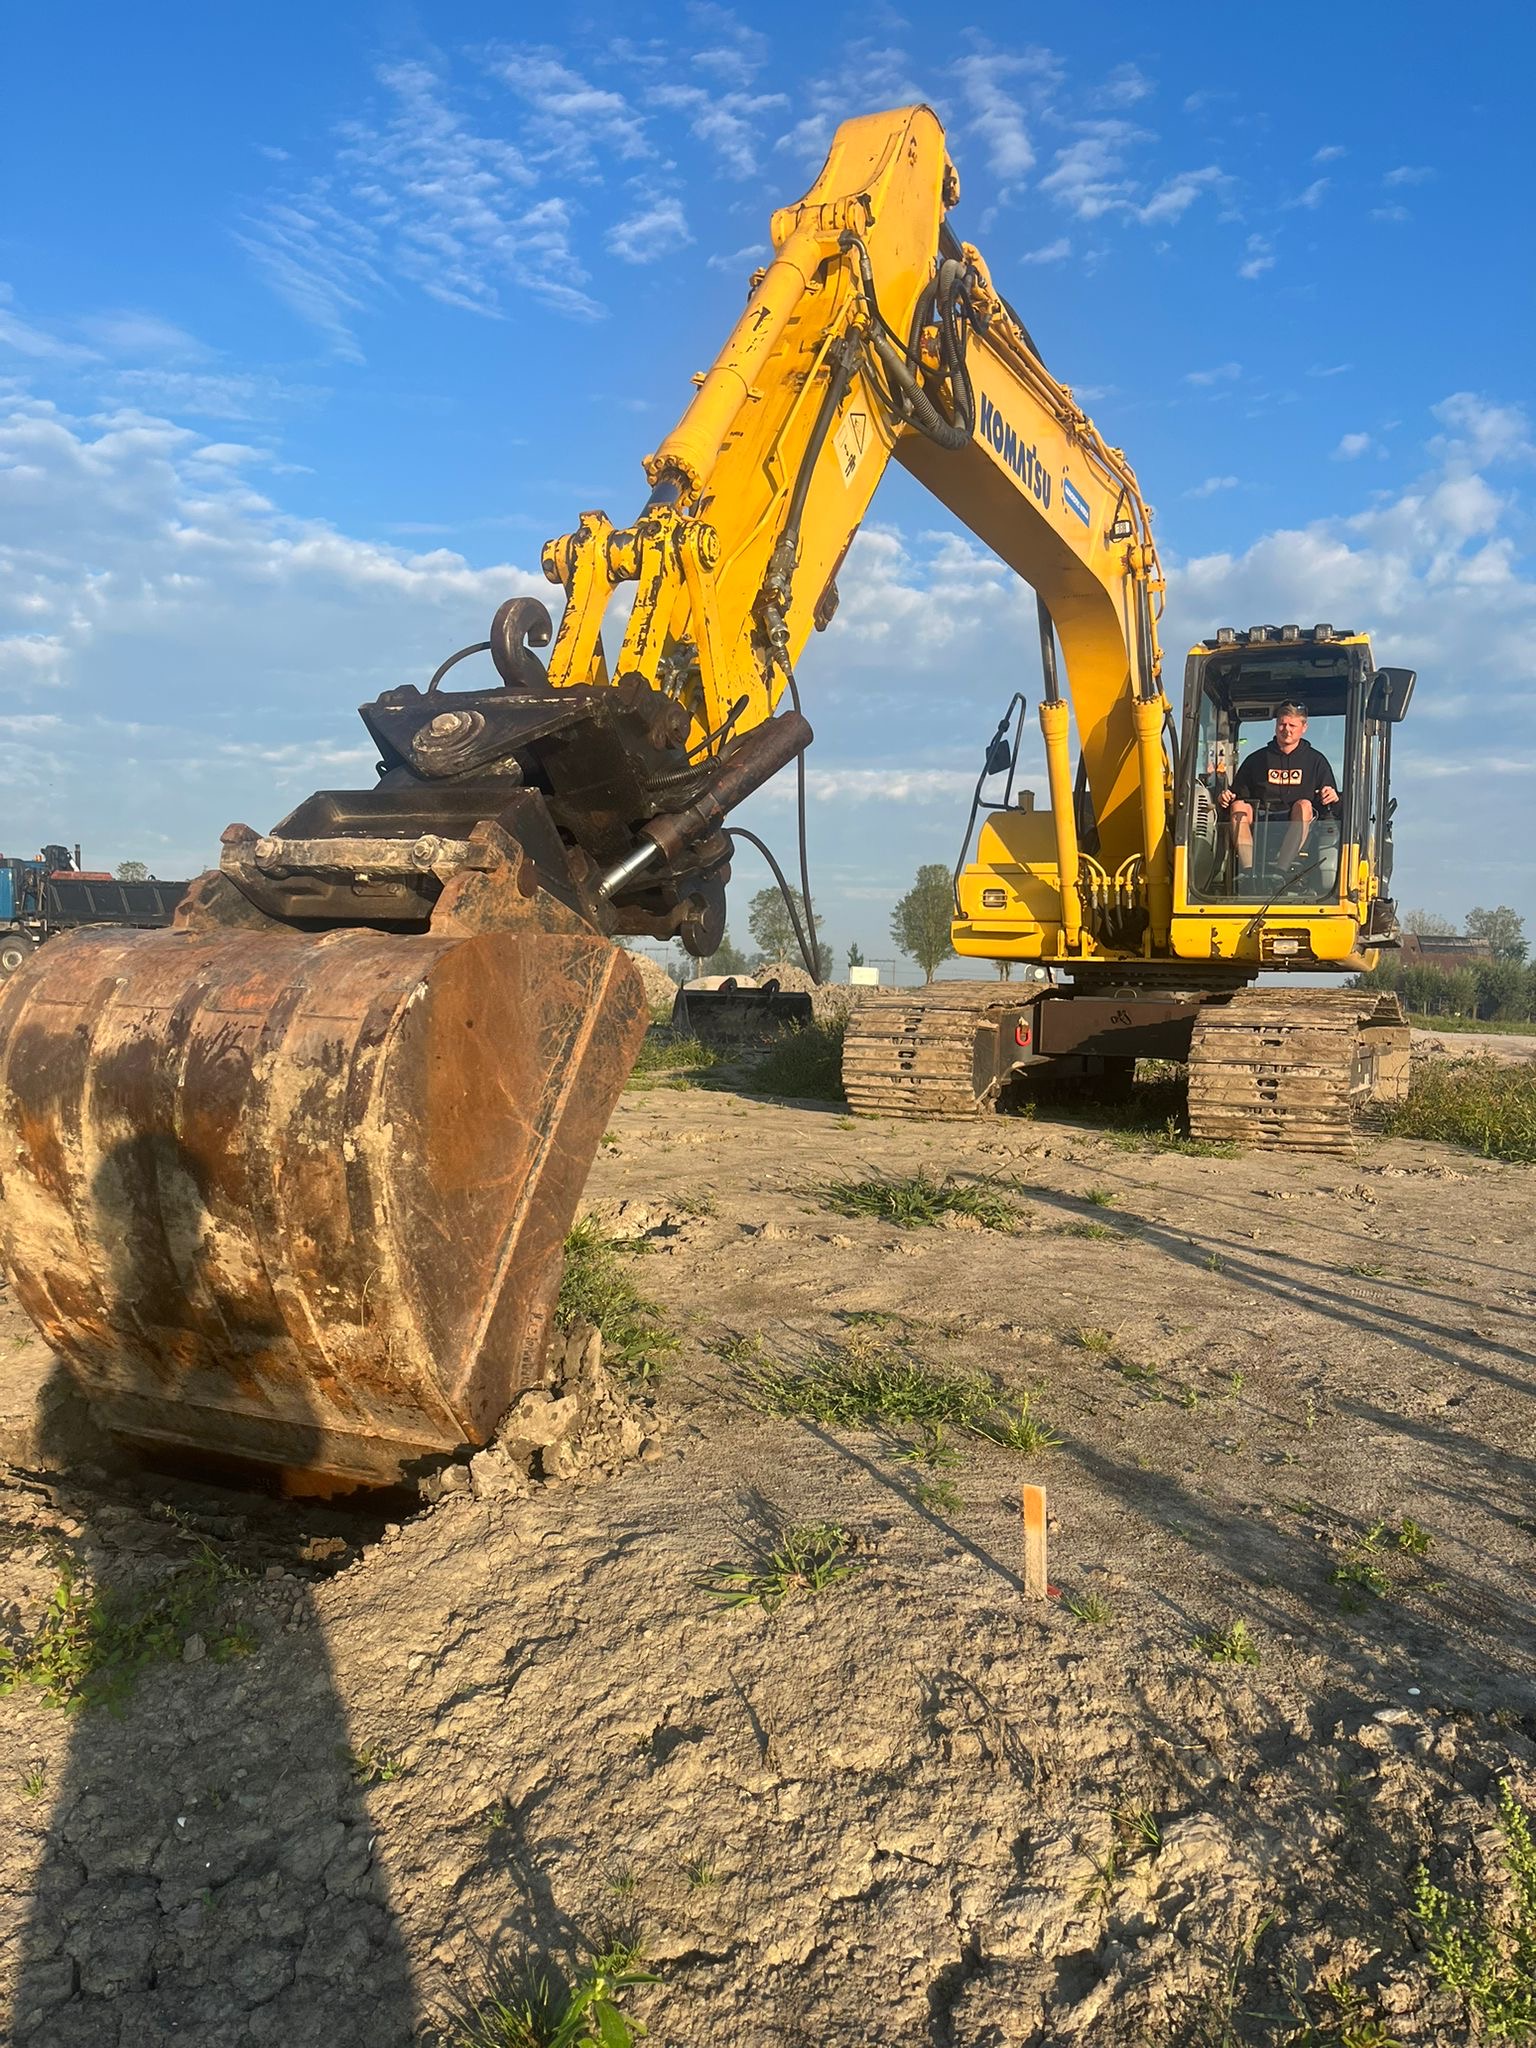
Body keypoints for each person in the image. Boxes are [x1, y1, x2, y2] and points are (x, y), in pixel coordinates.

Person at [1217, 702, 1339, 889]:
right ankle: (1248, 873)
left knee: (1304, 805)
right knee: (1238, 806)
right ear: (1276, 725)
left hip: (1299, 827)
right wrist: (1226, 799)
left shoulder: (1316, 761)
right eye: (1282, 724)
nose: (1286, 730)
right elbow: (1236, 795)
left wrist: (1331, 795)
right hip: (1261, 824)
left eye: (1292, 725)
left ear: (1304, 727)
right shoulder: (1256, 760)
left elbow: (1331, 802)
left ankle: (1280, 872)